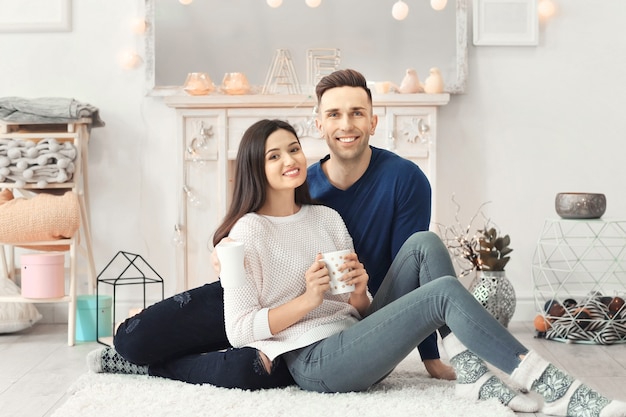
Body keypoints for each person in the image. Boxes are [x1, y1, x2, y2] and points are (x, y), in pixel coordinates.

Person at [213, 118, 625, 417]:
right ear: (255, 167)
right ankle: (554, 386)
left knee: (423, 242)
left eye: (293, 148)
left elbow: (358, 310)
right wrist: (307, 301)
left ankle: (470, 373)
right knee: (442, 293)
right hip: (315, 363)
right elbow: (239, 330)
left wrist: (359, 292)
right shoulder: (246, 234)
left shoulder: (325, 218)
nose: (290, 158)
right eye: (274, 155)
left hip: (354, 338)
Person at [306, 68, 450, 379]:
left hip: (382, 317)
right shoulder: (299, 187)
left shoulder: (406, 179)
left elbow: (415, 273)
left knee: (426, 244)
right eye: (334, 114)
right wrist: (222, 243)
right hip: (321, 324)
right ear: (319, 125)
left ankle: (465, 356)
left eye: (357, 113)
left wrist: (431, 358)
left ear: (373, 122)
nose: (346, 125)